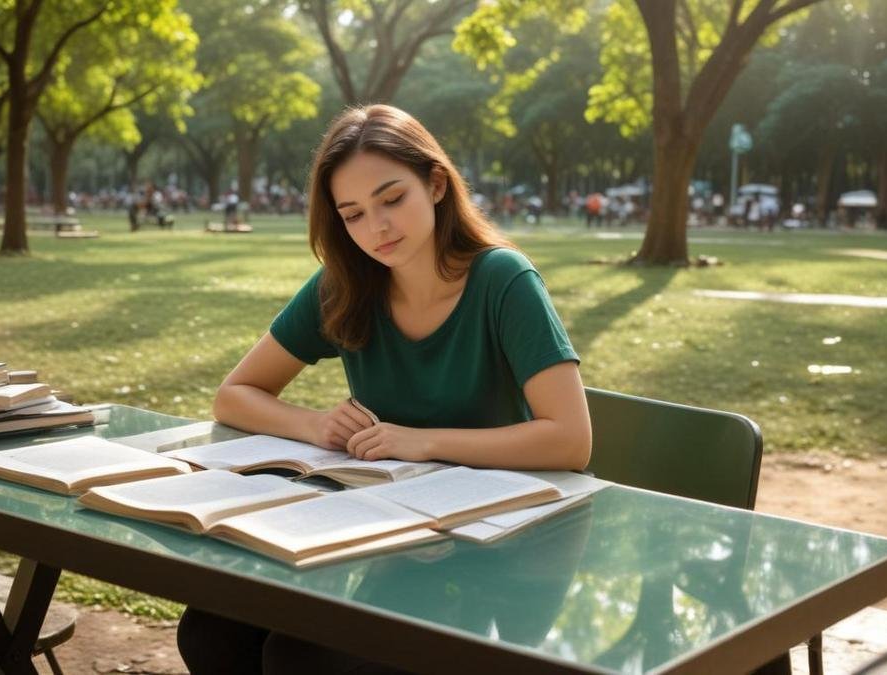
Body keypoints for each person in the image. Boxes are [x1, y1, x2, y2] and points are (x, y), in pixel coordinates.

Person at [177, 104, 591, 674]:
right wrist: (315, 424)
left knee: (301, 659)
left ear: (437, 183)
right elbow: (235, 394)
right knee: (212, 631)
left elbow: (570, 440)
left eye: (392, 199)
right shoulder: (345, 285)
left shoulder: (504, 280)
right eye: (352, 214)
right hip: (385, 532)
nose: (377, 228)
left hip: (495, 546)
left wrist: (422, 441)